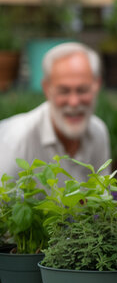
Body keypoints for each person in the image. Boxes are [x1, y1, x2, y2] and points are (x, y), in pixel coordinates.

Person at [0, 42, 109, 181]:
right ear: (47, 89)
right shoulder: (15, 141)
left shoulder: (98, 133)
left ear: (96, 86)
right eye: (63, 91)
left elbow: (102, 197)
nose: (74, 102)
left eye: (82, 90)